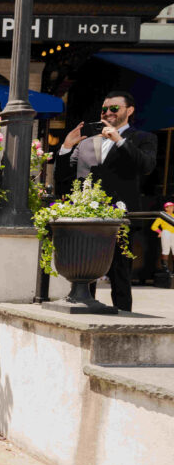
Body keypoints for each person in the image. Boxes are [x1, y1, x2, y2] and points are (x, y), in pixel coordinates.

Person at [56, 91, 158, 311]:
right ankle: (83, 312)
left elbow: (146, 166)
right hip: (85, 219)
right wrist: (66, 146)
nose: (108, 112)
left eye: (114, 108)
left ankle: (124, 322)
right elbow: (63, 177)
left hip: (120, 219)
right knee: (83, 273)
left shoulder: (142, 138)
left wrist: (119, 140)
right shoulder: (86, 143)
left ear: (129, 111)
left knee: (120, 276)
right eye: (104, 109)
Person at [151, 201, 174, 273]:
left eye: (172, 207)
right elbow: (154, 226)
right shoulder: (162, 215)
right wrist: (160, 232)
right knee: (165, 250)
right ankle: (165, 268)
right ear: (166, 208)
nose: (171, 208)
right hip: (166, 232)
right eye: (169, 207)